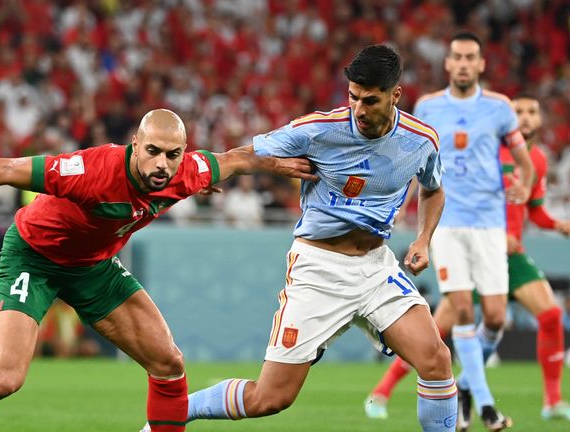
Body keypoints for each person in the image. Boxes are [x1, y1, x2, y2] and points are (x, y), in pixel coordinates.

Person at [0, 108, 314, 432]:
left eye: (173, 155)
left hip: (93, 268)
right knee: (2, 380)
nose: (163, 164)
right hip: (34, 257)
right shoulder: (91, 170)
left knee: (168, 363)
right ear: (135, 146)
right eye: (154, 152)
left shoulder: (187, 172)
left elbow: (236, 159)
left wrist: (278, 166)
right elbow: (1, 168)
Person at [145, 45, 456, 432]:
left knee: (436, 359)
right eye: (353, 97)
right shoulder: (318, 130)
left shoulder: (421, 139)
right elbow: (243, 154)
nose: (359, 109)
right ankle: (175, 414)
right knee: (270, 398)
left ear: (395, 95)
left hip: (377, 269)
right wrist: (198, 174)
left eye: (370, 100)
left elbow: (433, 188)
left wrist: (424, 238)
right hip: (318, 269)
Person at [363, 32, 534, 432]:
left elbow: (523, 161)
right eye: (456, 56)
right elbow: (413, 162)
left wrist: (523, 184)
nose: (461, 63)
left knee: (494, 317)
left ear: (480, 64)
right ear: (447, 63)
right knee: (459, 308)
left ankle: (468, 390)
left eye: (469, 57)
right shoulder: (428, 107)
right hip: (448, 223)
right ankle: (487, 406)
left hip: (490, 223)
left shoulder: (499, 109)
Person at [364, 94, 570, 423]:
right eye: (519, 112)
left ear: (542, 119)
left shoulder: (538, 161)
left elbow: (534, 210)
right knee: (434, 333)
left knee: (548, 315)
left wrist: (556, 224)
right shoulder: (488, 150)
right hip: (476, 247)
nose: (526, 118)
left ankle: (552, 400)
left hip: (511, 257)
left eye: (533, 111)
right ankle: (382, 391)